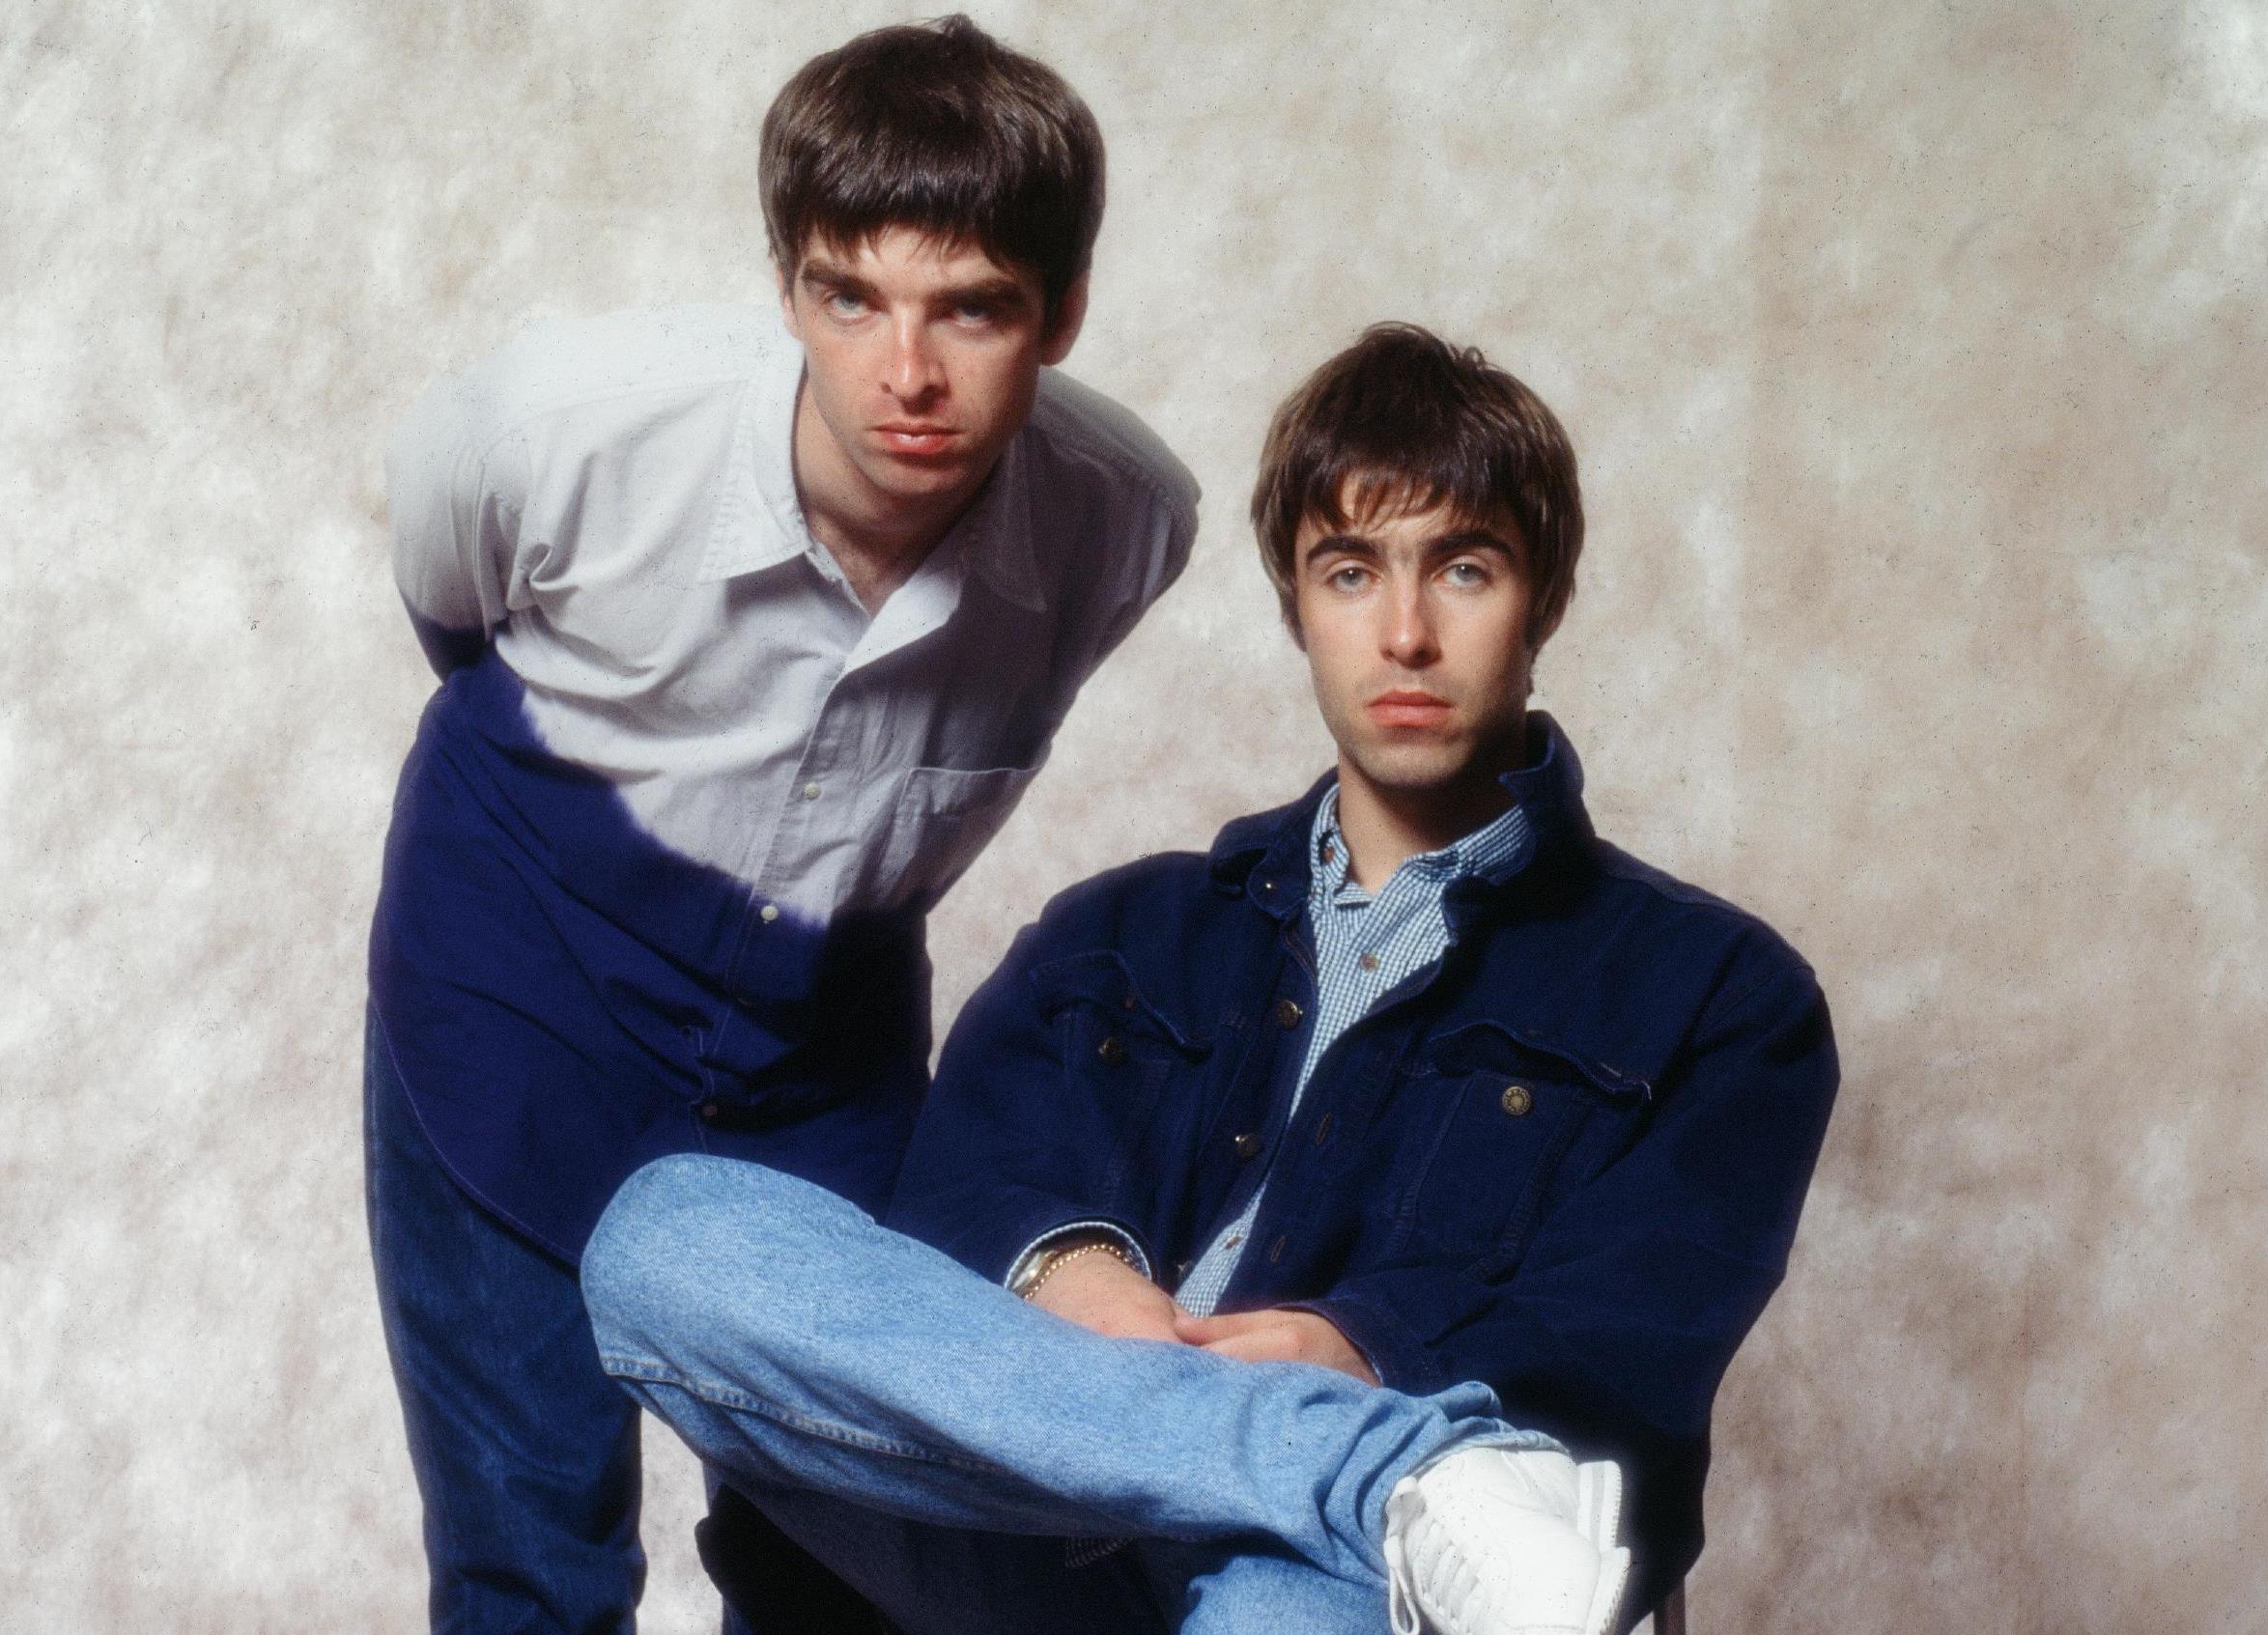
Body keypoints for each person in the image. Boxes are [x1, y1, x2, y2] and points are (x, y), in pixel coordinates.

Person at [581, 324, 1841, 1633]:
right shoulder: (1118, 932)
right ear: (1297, 603)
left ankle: (1360, 1486)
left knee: (1273, 1619)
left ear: (1547, 597)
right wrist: (1071, 1273)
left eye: (1464, 569)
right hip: (1024, 1520)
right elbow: (948, 1210)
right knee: (667, 1233)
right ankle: (1374, 1476)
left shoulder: (1722, 999)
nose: (1405, 633)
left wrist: (1365, 1350)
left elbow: (1624, 1342)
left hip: (1324, 1587)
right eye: (1351, 571)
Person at [364, 16, 1199, 1631]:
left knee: (848, 1560)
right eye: (851, 297)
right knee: (532, 1560)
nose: (907, 373)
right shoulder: (570, 424)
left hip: (822, 1056)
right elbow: (450, 606)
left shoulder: (1122, 520)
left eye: (974, 308)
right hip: (511, 998)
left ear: (1064, 312)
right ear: (786, 284)